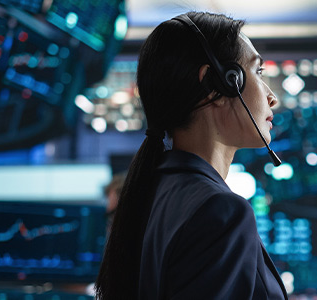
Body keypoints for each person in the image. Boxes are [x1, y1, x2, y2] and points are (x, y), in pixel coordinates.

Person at [95, 11, 285, 300]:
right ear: (217, 85)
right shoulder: (220, 212)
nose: (272, 97)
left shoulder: (153, 192)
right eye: (257, 72)